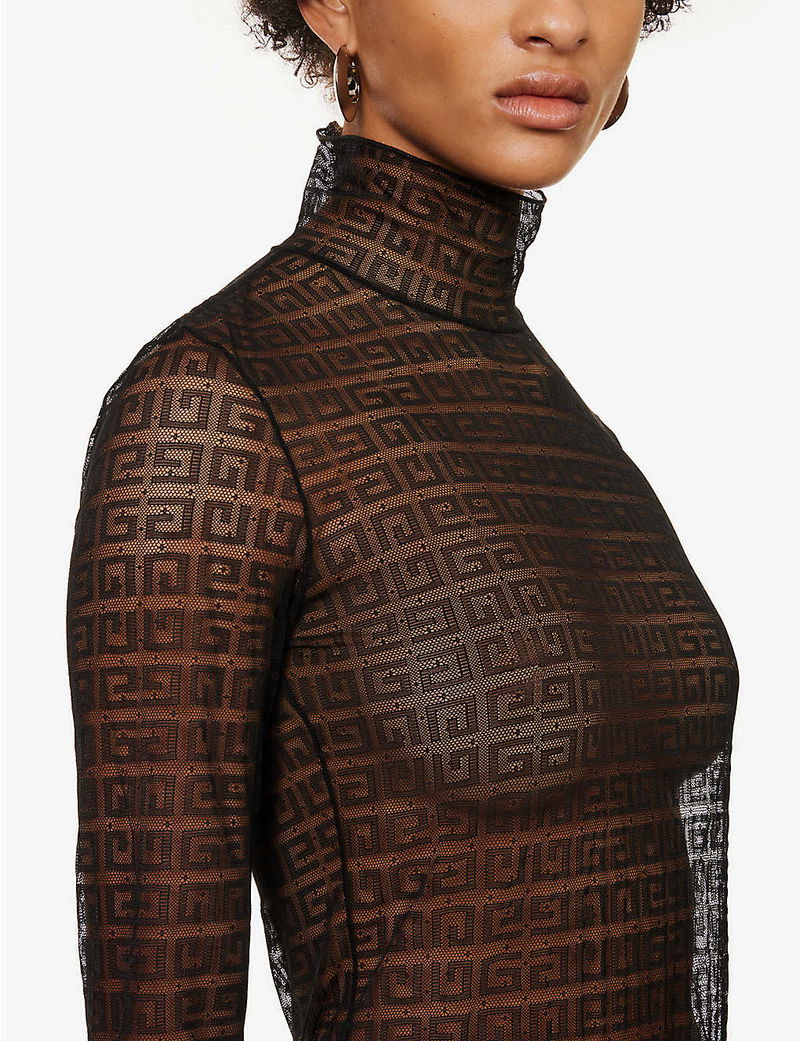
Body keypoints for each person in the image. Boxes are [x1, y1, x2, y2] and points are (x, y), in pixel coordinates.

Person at [65, 2, 739, 1039]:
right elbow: (157, 992)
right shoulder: (214, 404)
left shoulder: (552, 414)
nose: (559, 21)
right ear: (333, 5)